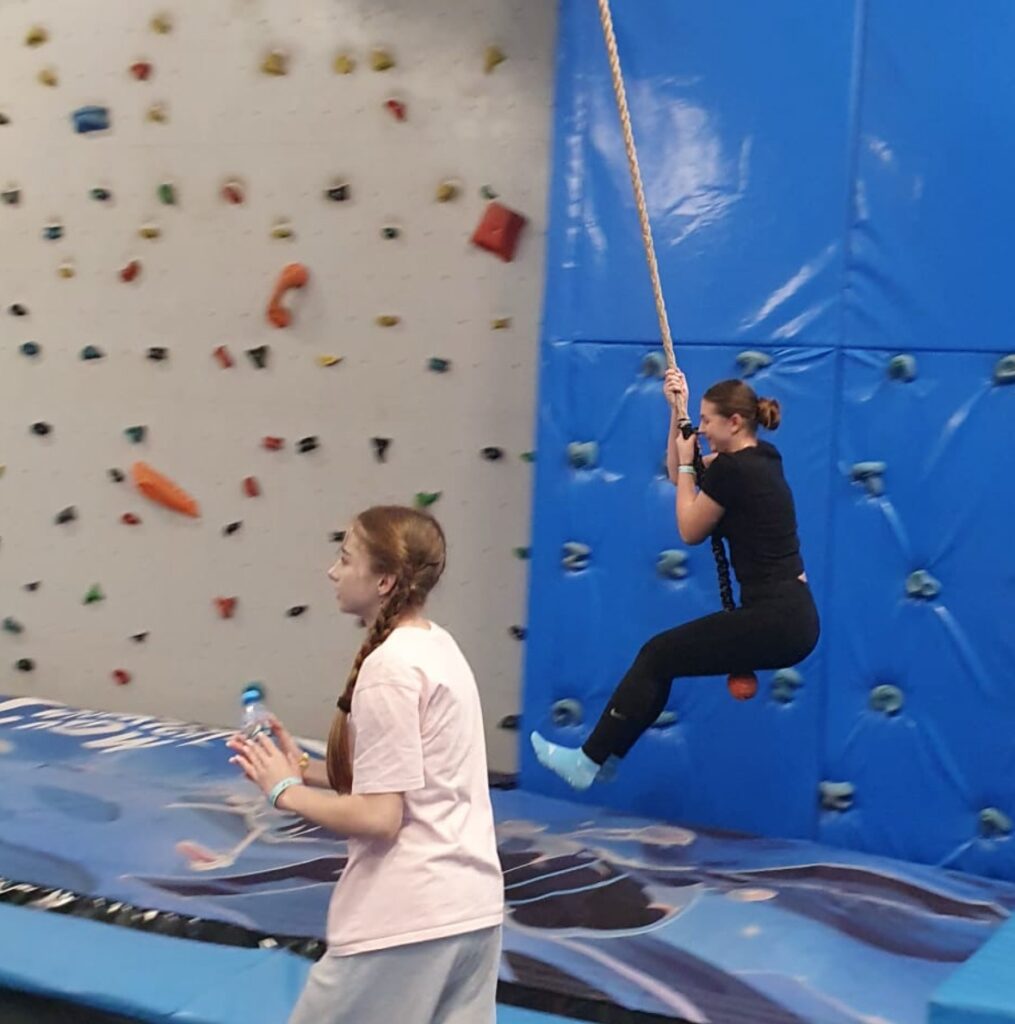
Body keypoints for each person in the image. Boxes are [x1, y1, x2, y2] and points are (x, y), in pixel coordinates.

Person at [229, 506, 504, 1024]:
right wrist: (305, 769)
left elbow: (380, 816)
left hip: (407, 919)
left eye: (345, 558)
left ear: (384, 580)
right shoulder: (437, 646)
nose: (332, 571)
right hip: (472, 911)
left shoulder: (389, 667)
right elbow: (411, 777)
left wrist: (285, 791)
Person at [531, 367, 820, 790]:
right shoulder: (762, 457)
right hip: (792, 617)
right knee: (662, 661)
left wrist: (687, 462)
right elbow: (678, 475)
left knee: (656, 655)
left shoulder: (734, 471)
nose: (701, 430)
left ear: (733, 422)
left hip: (779, 617)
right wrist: (675, 412)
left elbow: (689, 528)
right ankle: (605, 757)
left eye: (706, 421)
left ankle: (590, 761)